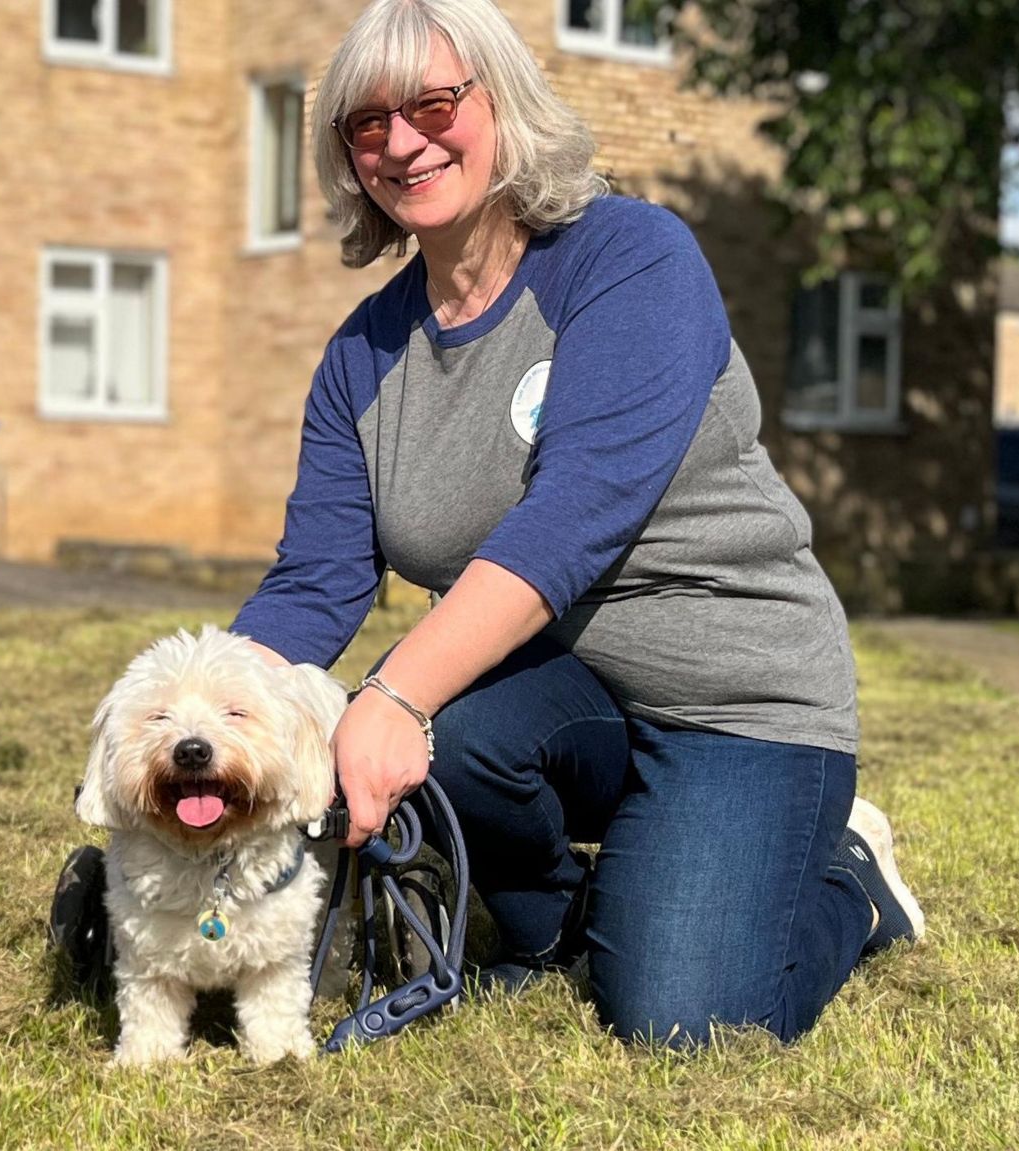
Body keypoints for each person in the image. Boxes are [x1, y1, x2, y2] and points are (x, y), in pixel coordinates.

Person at [230, 0, 924, 1048]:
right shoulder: (358, 360)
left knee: (683, 1022)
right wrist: (190, 711)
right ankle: (549, 926)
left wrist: (389, 693)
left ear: (498, 103)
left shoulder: (629, 257)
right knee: (450, 734)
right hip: (568, 689)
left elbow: (569, 522)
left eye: (430, 103)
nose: (402, 142)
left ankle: (849, 885)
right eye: (366, 124)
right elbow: (315, 580)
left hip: (738, 695)